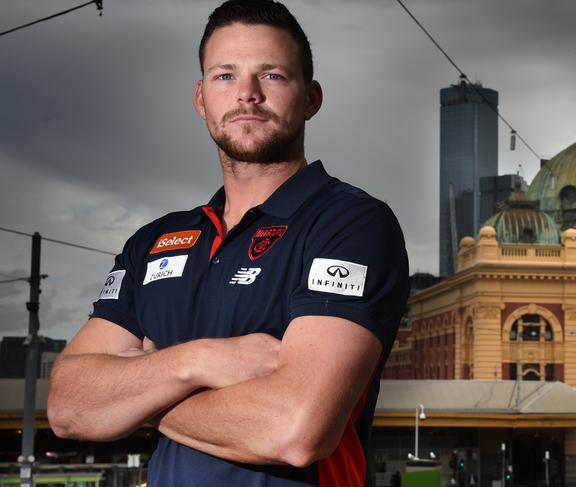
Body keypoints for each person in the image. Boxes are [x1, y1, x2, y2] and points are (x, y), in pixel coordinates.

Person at [47, 1, 409, 485]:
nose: (247, 94)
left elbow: (295, 428)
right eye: (224, 76)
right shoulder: (153, 242)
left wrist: (138, 399)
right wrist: (197, 362)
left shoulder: (351, 224)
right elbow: (68, 405)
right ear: (201, 98)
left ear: (311, 98)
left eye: (273, 76)